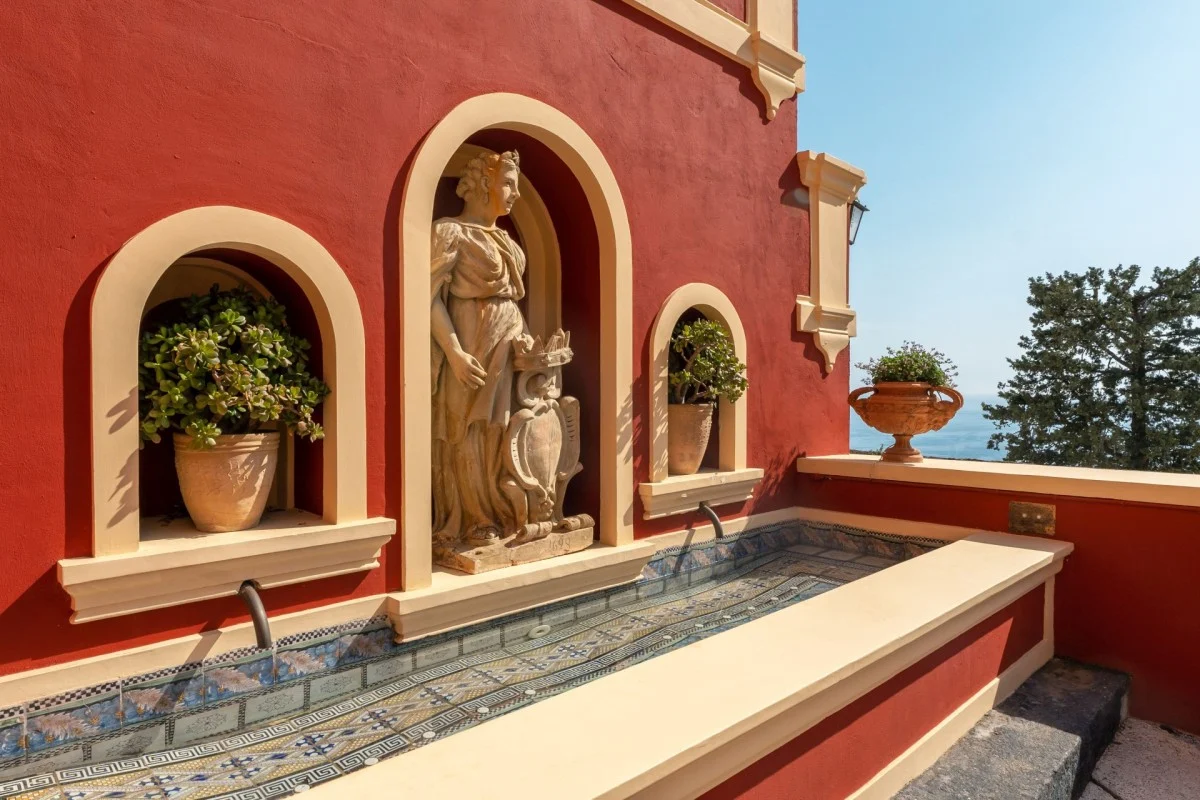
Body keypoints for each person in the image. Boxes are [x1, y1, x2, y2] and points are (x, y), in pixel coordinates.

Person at [430, 150, 528, 547]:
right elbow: (429, 297)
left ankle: (508, 512)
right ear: (481, 184)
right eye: (507, 182)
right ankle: (474, 518)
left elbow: (512, 300)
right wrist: (453, 351)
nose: (516, 193)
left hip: (510, 343)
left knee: (505, 428)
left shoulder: (505, 238)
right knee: (467, 429)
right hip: (470, 345)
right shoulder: (451, 231)